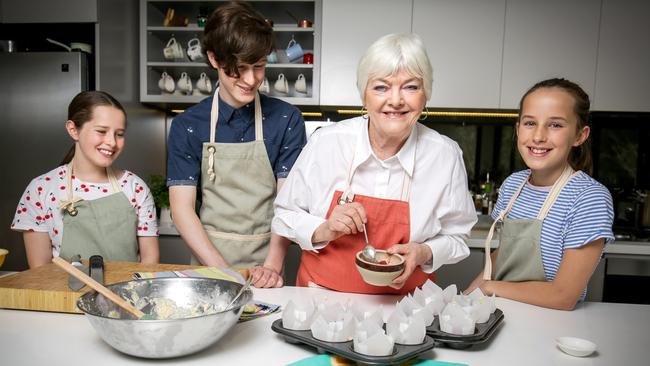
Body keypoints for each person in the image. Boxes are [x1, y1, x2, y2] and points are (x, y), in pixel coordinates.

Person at [272, 33, 477, 294]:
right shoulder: (326, 143)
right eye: (381, 87)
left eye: (411, 87)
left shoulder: (445, 156)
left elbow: (458, 237)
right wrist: (325, 228)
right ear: (363, 94)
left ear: (426, 95)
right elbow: (284, 217)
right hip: (320, 306)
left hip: (407, 314)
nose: (395, 100)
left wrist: (423, 252)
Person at [166, 1, 306, 288]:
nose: (251, 79)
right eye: (239, 68)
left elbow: (288, 204)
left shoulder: (285, 119)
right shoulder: (188, 126)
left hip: (270, 265)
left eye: (259, 66)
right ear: (215, 59)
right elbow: (182, 209)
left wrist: (272, 267)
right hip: (210, 265)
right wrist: (223, 271)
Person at [465, 78, 614, 310]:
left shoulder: (589, 198)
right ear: (517, 129)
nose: (538, 136)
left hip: (552, 326)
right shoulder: (513, 185)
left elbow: (563, 296)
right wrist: (465, 298)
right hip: (500, 315)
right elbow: (504, 254)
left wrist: (490, 287)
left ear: (580, 135)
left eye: (555, 125)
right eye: (529, 123)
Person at [11, 91, 160, 268]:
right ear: (73, 130)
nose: (112, 142)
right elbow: (40, 271)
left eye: (119, 134)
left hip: (124, 294)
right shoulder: (41, 189)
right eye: (102, 131)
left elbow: (149, 264)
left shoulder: (135, 188)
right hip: (63, 295)